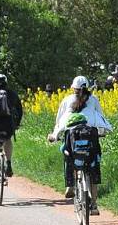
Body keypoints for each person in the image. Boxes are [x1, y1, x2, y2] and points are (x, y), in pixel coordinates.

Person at [48, 76, 112, 215]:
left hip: (72, 134)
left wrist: (54, 135)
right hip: (91, 134)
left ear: (73, 88)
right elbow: (100, 117)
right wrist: (101, 132)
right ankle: (94, 205)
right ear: (87, 87)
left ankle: (70, 184)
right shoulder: (94, 100)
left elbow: (60, 120)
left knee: (67, 153)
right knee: (93, 166)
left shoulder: (67, 100)